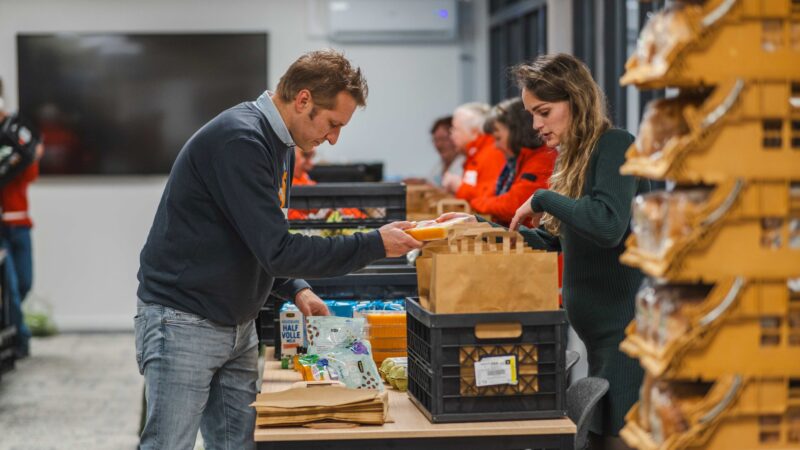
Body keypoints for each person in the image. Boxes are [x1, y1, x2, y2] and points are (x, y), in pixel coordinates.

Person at [135, 49, 422, 450]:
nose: (334, 138)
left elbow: (255, 236)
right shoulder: (241, 140)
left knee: (239, 444)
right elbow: (278, 249)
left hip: (236, 323)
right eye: (332, 124)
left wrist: (296, 288)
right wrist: (374, 243)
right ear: (303, 100)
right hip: (185, 320)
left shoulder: (279, 143)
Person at [440, 54, 649, 450]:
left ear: (576, 101)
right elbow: (561, 240)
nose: (536, 125)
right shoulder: (575, 156)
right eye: (532, 113)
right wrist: (483, 229)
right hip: (599, 337)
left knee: (620, 440)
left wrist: (543, 198)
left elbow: (607, 225)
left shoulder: (615, 145)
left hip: (625, 336)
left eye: (544, 112)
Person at [0, 79, 43, 359]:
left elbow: (30, 174)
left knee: (25, 282)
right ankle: (21, 340)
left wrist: (31, 156)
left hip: (21, 223)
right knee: (12, 288)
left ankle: (16, 329)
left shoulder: (14, 130)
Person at [468, 98, 556, 227]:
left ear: (517, 132)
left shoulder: (542, 159)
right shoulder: (518, 160)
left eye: (498, 138)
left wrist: (475, 203)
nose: (495, 146)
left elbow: (512, 206)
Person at [441, 103, 506, 200]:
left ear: (475, 132)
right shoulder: (474, 153)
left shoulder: (493, 153)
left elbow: (491, 198)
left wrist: (459, 186)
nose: (451, 135)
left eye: (455, 129)